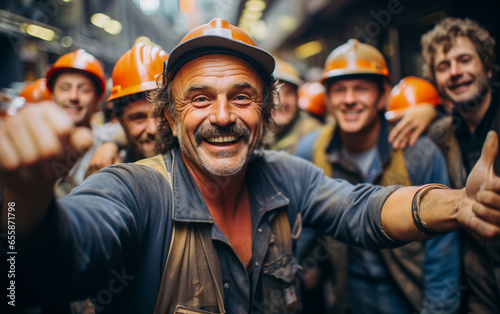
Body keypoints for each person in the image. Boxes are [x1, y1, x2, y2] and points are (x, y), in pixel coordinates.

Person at [1, 18, 500, 313]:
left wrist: (457, 203)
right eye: (199, 99)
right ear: (169, 120)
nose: (222, 116)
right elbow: (60, 256)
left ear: (265, 113)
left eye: (242, 96)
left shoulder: (286, 175)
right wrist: (23, 212)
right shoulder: (134, 191)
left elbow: (361, 210)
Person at [294, 39, 461, 313]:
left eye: (361, 89)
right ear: (327, 98)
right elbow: (304, 225)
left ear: (383, 96)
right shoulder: (311, 150)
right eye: (339, 90)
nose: (349, 100)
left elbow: (441, 252)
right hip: (350, 299)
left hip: (411, 298)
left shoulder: (416, 151)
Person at [422, 17, 500, 313]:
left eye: (464, 60)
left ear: (488, 67)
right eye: (443, 66)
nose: (455, 72)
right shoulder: (438, 136)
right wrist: (427, 111)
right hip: (480, 296)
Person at [45, 49, 122, 196]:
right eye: (65, 88)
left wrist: (111, 145)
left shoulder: (104, 136)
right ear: (52, 94)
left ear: (97, 100)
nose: (73, 96)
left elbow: (129, 129)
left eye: (84, 90)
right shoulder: (35, 142)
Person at [87, 43, 168, 174]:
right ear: (121, 121)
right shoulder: (110, 168)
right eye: (138, 118)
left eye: (161, 114)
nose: (152, 130)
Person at [263, 57, 323, 153]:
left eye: (289, 93)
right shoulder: (258, 131)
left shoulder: (313, 133)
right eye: (274, 93)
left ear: (297, 97)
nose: (281, 101)